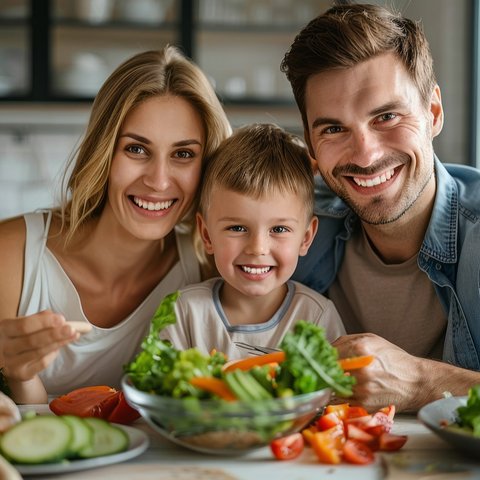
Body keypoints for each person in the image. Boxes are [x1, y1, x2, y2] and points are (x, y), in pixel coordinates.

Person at [0, 45, 231, 404]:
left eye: (183, 154)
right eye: (136, 149)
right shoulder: (12, 254)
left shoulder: (206, 271)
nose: (158, 181)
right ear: (103, 152)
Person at [280, 2, 480, 412]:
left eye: (387, 116)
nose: (366, 156)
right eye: (334, 128)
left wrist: (421, 382)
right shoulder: (288, 227)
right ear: (311, 143)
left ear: (433, 111)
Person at [161, 123, 345, 359]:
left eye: (279, 229)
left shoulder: (317, 317)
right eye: (237, 228)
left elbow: (336, 393)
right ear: (207, 235)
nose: (258, 248)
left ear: (306, 237)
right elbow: (158, 389)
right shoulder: (183, 311)